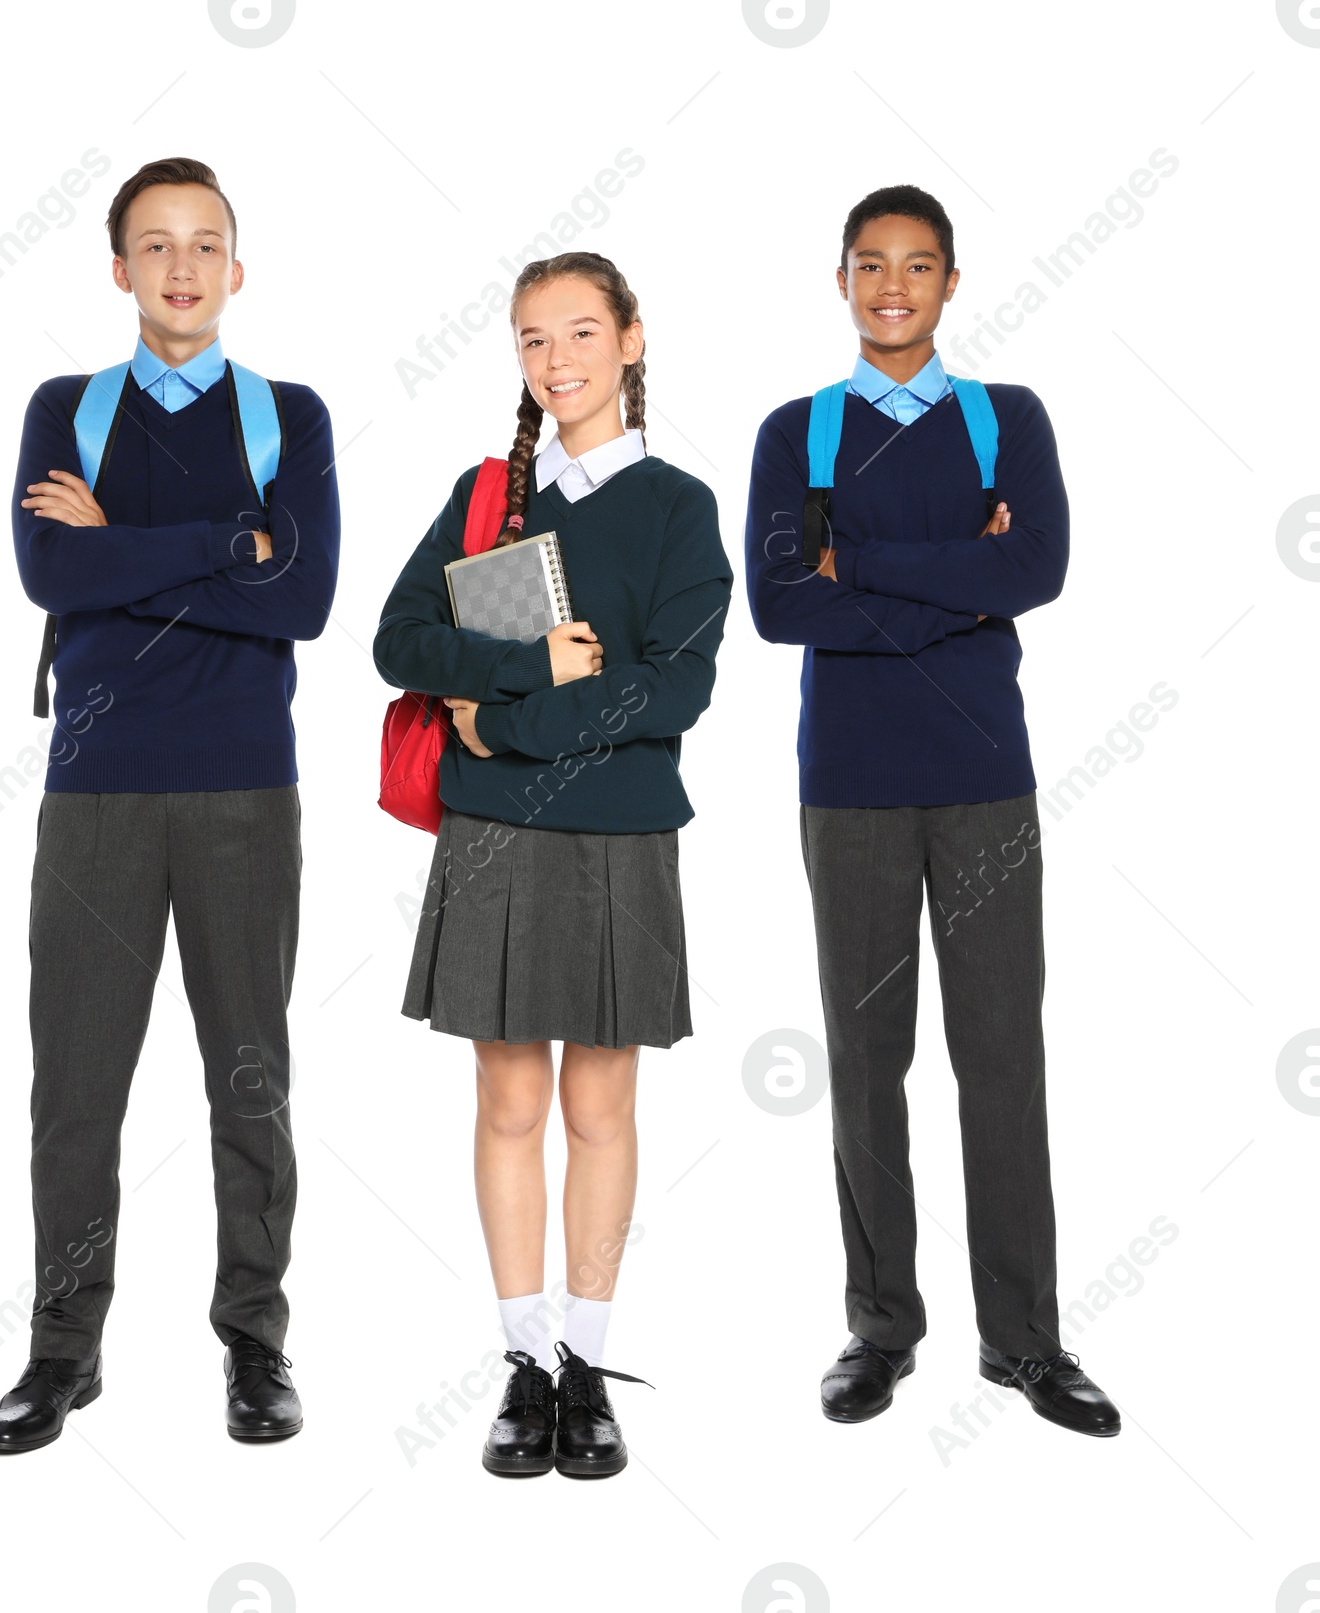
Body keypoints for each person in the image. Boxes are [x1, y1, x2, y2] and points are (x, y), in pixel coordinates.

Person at [0, 157, 340, 1454]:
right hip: (97, 795)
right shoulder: (63, 410)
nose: (182, 267)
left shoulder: (286, 416)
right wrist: (221, 540)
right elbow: (43, 569)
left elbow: (302, 601)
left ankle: (255, 1340)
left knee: (249, 1078)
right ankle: (61, 1349)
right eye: (155, 245)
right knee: (75, 1084)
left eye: (206, 245)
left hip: (245, 788)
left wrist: (120, 549)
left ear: (236, 271)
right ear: (120, 268)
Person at [744, 185, 1120, 1438]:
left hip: (982, 780)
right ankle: (879, 1323)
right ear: (840, 281)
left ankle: (1025, 1340)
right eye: (869, 265)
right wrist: (962, 576)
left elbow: (1042, 568)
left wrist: (868, 563)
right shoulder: (794, 433)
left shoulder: (1004, 420)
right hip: (846, 782)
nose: (892, 285)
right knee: (866, 1064)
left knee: (1004, 1056)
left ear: (952, 283)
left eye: (917, 266)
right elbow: (781, 605)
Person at [374, 252, 731, 1477]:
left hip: (621, 831)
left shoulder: (680, 505)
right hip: (497, 839)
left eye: (581, 332)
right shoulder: (489, 500)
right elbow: (397, 638)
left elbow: (676, 684)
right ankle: (524, 1359)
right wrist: (537, 673)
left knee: (599, 1107)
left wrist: (502, 721)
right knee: (511, 1104)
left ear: (632, 340)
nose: (557, 359)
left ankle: (589, 1358)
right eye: (534, 339)